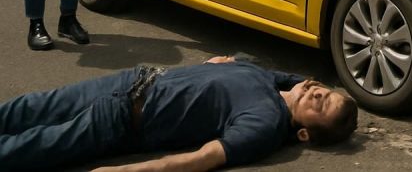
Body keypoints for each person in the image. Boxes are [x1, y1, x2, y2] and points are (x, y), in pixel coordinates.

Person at [0, 56, 358, 171]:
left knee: (29, 146)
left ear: (305, 134)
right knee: (27, 107)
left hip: (122, 119)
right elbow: (301, 81)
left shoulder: (265, 123)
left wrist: (123, 171)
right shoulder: (276, 81)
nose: (316, 93)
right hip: (133, 80)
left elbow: (201, 158)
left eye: (321, 104)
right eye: (324, 91)